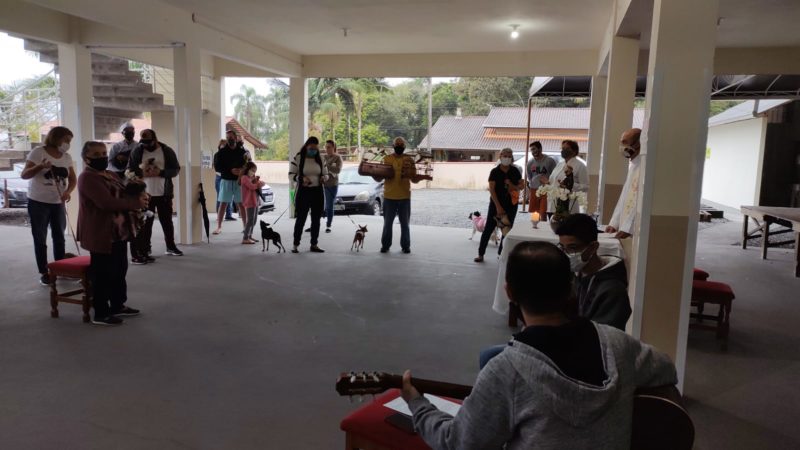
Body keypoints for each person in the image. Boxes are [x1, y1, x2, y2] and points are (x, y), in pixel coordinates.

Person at [401, 241, 677, 450]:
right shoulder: (617, 344)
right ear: (571, 288)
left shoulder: (505, 371)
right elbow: (666, 371)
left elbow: (459, 443)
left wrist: (418, 404)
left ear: (509, 292)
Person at [77, 141, 148, 325]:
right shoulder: (88, 178)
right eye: (96, 154)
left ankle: (117, 305)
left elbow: (123, 193)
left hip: (119, 231)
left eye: (103, 152)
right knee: (103, 274)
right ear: (86, 158)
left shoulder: (109, 174)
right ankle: (100, 312)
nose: (101, 156)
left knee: (119, 270)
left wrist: (137, 190)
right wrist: (135, 204)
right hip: (101, 232)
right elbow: (105, 203)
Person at [20, 126, 77, 285]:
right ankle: (44, 271)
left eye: (69, 141)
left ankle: (60, 267)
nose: (67, 143)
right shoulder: (38, 152)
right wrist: (39, 166)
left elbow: (73, 179)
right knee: (40, 237)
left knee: (59, 237)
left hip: (58, 202)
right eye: (66, 140)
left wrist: (68, 192)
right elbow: (24, 175)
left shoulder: (66, 157)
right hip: (38, 202)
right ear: (55, 138)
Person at [556, 214, 631, 330]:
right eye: (562, 248)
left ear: (593, 247)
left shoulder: (612, 289)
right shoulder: (574, 274)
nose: (566, 254)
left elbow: (605, 338)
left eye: (572, 248)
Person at [127, 128, 183, 263]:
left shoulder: (167, 151)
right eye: (143, 142)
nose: (146, 145)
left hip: (164, 192)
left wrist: (161, 172)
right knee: (146, 223)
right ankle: (145, 249)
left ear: (155, 139)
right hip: (145, 195)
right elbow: (129, 170)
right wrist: (142, 174)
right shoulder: (138, 151)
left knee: (167, 221)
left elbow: (175, 170)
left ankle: (171, 246)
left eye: (148, 142)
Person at [474, 148, 523, 263]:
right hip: (496, 204)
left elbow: (520, 186)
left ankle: (501, 253)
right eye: (504, 156)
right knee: (488, 229)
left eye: (509, 156)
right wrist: (498, 207)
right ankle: (481, 254)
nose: (506, 158)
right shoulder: (495, 172)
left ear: (512, 158)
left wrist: (512, 184)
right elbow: (492, 190)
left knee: (506, 230)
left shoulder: (515, 171)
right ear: (500, 157)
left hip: (511, 204)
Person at [289, 137, 328, 253]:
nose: (313, 151)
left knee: (316, 220)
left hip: (318, 192)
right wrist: (301, 178)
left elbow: (327, 174)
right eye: (311, 148)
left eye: (315, 149)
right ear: (306, 146)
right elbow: (291, 175)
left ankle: (314, 244)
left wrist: (323, 178)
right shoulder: (299, 158)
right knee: (301, 219)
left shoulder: (321, 158)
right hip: (304, 192)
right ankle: (295, 244)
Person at [380, 137, 417, 254]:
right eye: (397, 144)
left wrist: (419, 178)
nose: (399, 146)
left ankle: (406, 246)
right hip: (389, 196)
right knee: (387, 224)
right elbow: (379, 176)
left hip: (404, 197)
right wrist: (372, 173)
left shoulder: (409, 160)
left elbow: (414, 178)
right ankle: (385, 245)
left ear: (404, 147)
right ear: (393, 145)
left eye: (401, 144)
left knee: (405, 224)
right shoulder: (386, 159)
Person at [606, 128, 642, 239]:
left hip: (633, 231)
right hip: (623, 228)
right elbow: (624, 198)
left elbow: (639, 201)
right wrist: (614, 222)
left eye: (625, 142)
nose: (621, 146)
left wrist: (627, 228)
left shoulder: (644, 167)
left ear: (637, 144)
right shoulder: (633, 165)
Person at [213, 129, 248, 235]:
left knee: (241, 204)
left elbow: (247, 166)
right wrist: (230, 170)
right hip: (226, 180)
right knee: (223, 204)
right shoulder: (221, 153)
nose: (229, 139)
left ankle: (245, 227)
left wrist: (241, 171)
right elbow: (217, 167)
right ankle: (218, 227)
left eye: (231, 137)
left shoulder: (242, 152)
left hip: (238, 181)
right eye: (228, 138)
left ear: (236, 138)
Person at [541, 140, 588, 215]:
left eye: (567, 148)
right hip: (553, 203)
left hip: (569, 205)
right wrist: (548, 183)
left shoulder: (580, 166)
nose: (564, 151)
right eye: (562, 148)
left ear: (574, 151)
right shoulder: (560, 164)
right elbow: (554, 181)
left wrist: (570, 184)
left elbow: (586, 187)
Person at [526, 141, 556, 218]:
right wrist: (532, 185)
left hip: (546, 191)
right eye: (531, 150)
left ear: (540, 149)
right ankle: (535, 228)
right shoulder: (530, 162)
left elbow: (555, 176)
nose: (533, 151)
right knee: (534, 214)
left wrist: (548, 182)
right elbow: (529, 177)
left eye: (534, 149)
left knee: (543, 213)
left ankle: (543, 228)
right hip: (534, 190)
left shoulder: (549, 161)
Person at [239, 161, 264, 245]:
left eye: (254, 171)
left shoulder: (252, 178)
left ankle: (250, 236)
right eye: (252, 170)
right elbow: (252, 187)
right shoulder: (244, 178)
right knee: (250, 220)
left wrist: (258, 182)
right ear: (247, 169)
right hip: (249, 201)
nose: (253, 172)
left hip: (255, 201)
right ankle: (245, 238)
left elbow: (258, 184)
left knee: (254, 220)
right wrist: (258, 184)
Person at [322, 139, 342, 233]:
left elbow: (337, 170)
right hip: (321, 184)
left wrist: (325, 166)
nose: (327, 149)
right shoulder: (323, 157)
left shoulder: (338, 158)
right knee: (318, 205)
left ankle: (328, 225)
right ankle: (314, 224)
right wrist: (328, 167)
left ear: (333, 147)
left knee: (329, 205)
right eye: (325, 147)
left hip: (332, 185)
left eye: (329, 147)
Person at [213, 146, 235, 222]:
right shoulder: (217, 155)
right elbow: (217, 167)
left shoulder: (229, 155)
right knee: (220, 197)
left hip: (228, 178)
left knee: (230, 197)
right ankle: (219, 216)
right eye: (222, 145)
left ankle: (229, 215)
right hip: (220, 177)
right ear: (219, 147)